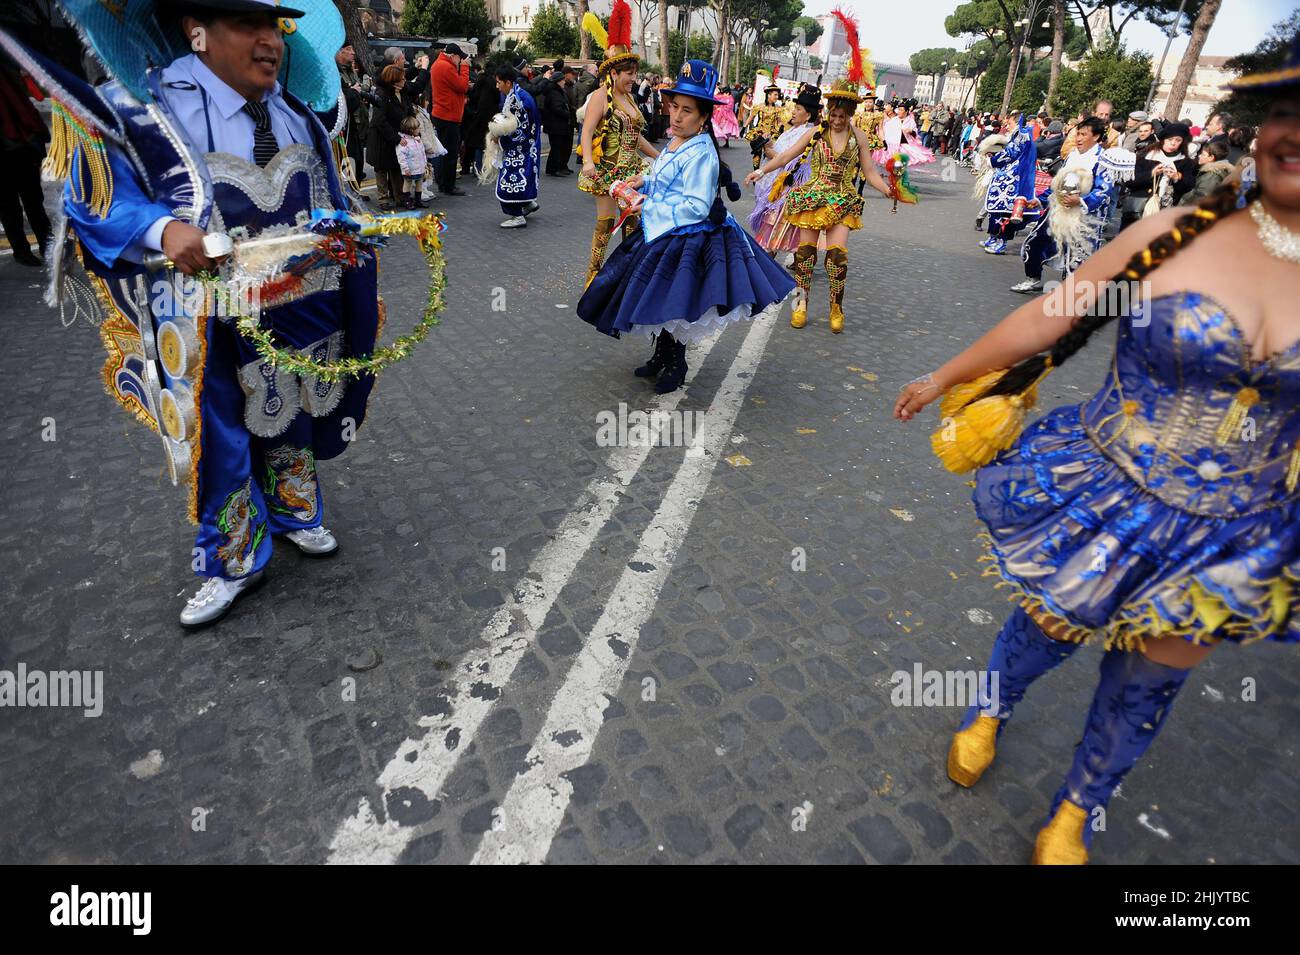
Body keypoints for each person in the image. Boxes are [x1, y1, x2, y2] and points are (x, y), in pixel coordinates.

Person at [893, 37, 1300, 864]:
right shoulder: (1174, 234)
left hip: (1233, 534)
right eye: (1290, 112)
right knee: (1047, 630)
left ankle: (1075, 810)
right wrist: (946, 375)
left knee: (1148, 685)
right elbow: (1055, 316)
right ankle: (990, 711)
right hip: (1109, 489)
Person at [15, 0, 387, 626]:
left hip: (299, 301)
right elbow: (93, 197)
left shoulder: (297, 113)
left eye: (276, 27)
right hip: (203, 314)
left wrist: (348, 233)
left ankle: (296, 507)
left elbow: (326, 193)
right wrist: (163, 232)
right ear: (197, 31)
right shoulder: (148, 109)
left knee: (290, 398)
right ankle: (234, 557)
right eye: (249, 25)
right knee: (221, 431)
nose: (270, 41)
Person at [577, 59, 795, 394]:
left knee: (674, 302)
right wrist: (645, 181)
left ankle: (676, 363)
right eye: (674, 107)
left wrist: (649, 203)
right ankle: (662, 354)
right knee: (659, 298)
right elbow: (666, 177)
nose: (676, 116)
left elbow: (696, 205)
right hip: (663, 229)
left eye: (687, 110)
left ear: (704, 117)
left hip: (687, 236)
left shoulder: (703, 153)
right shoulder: (677, 141)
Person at [745, 11, 898, 335]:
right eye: (835, 113)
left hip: (842, 199)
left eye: (843, 114)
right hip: (812, 197)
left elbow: (869, 171)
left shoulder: (858, 136)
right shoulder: (815, 133)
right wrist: (761, 171)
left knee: (837, 259)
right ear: (829, 111)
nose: (838, 119)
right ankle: (800, 304)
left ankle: (836, 308)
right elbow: (787, 154)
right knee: (805, 256)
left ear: (851, 113)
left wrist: (889, 190)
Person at [577, 1, 658, 286]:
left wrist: (659, 156)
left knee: (633, 224)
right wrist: (588, 161)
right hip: (605, 171)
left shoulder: (631, 99)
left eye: (635, 73)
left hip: (631, 172)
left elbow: (637, 138)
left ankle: (628, 276)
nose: (633, 79)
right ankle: (593, 274)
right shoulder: (601, 96)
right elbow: (586, 131)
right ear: (614, 72)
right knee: (606, 224)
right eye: (629, 74)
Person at [1010, 116, 1124, 293]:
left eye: (1083, 134)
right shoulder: (1071, 156)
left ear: (1096, 136)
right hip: (1058, 209)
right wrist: (1039, 199)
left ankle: (1073, 292)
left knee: (1077, 255)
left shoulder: (1102, 160)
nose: (1078, 138)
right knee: (1035, 242)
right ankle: (1033, 278)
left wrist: (1080, 201)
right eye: (1077, 134)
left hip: (1083, 215)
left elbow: (1104, 191)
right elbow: (1058, 183)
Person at [748, 87, 820, 261]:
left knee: (776, 227)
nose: (793, 112)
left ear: (808, 115)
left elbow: (786, 159)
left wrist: (768, 152)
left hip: (792, 187)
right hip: (784, 184)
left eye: (798, 110)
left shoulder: (806, 133)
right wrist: (769, 144)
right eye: (794, 108)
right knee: (781, 228)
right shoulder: (793, 131)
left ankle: (767, 264)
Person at [0, 61, 51, 266]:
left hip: (20, 147)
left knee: (32, 201)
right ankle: (22, 250)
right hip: (10, 150)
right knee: (9, 206)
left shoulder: (7, 71)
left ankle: (46, 245)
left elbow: (24, 108)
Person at [482, 66, 541, 229]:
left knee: (509, 183)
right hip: (526, 147)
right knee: (523, 179)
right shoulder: (516, 95)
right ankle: (528, 203)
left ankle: (516, 215)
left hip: (520, 149)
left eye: (499, 82)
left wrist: (500, 140)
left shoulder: (518, 100)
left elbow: (521, 130)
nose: (497, 86)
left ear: (508, 82)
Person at [974, 115, 1040, 255]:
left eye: (1009, 123)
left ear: (1016, 123)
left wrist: (993, 160)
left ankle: (1001, 242)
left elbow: (1010, 153)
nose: (1007, 125)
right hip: (1007, 179)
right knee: (996, 211)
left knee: (1005, 214)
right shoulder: (1019, 135)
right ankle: (993, 237)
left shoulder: (1021, 136)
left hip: (1013, 182)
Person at [1122, 122, 1197, 228]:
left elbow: (1189, 186)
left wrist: (1177, 178)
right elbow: (1129, 180)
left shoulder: (1185, 162)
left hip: (1165, 213)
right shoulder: (1147, 155)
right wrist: (1151, 174)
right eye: (1170, 139)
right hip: (1137, 209)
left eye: (1178, 140)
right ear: (1163, 139)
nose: (1173, 143)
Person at [367, 64, 411, 212]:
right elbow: (379, 120)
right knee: (381, 170)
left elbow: (408, 110)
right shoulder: (382, 94)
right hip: (382, 138)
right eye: (402, 78)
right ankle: (383, 198)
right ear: (393, 80)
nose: (405, 80)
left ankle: (399, 196)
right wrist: (396, 138)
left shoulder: (402, 92)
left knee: (396, 168)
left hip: (397, 136)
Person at [429, 42, 470, 196]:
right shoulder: (446, 67)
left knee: (443, 151)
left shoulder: (438, 64)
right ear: (453, 56)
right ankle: (449, 185)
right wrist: (465, 68)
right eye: (460, 58)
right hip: (448, 115)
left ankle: (442, 182)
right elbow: (462, 86)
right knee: (451, 153)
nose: (461, 61)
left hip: (442, 113)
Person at [540, 62, 574, 177]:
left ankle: (558, 167)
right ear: (558, 81)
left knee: (559, 147)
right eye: (563, 80)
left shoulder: (558, 91)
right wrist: (568, 113)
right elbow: (557, 108)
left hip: (558, 125)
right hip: (555, 125)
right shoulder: (554, 92)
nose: (564, 82)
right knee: (556, 148)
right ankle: (553, 168)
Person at [745, 83, 790, 169]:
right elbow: (751, 117)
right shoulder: (760, 106)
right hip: (759, 132)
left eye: (778, 95)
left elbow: (780, 121)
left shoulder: (778, 108)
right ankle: (756, 171)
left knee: (768, 154)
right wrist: (744, 127)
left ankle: (764, 172)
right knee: (757, 153)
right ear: (769, 95)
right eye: (775, 95)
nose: (777, 97)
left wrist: (782, 128)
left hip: (772, 133)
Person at [1183, 138, 1234, 202]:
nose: (1199, 156)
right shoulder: (1210, 172)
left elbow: (1199, 199)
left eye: (1203, 154)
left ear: (1211, 158)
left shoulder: (1212, 176)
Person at [396, 115, 427, 209]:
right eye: (417, 128)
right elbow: (401, 157)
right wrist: (405, 168)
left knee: (419, 182)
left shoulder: (418, 140)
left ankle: (418, 201)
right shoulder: (404, 142)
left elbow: (422, 153)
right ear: (411, 130)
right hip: (409, 169)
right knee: (407, 183)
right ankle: (407, 201)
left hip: (420, 167)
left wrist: (425, 164)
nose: (419, 130)